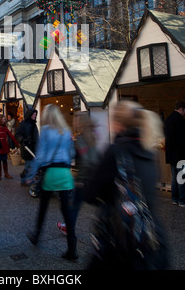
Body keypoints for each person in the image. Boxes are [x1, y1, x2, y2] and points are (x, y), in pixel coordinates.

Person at [83, 101, 168, 270]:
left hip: (121, 238)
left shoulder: (116, 151)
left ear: (116, 124)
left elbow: (90, 193)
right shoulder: (149, 152)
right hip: (151, 237)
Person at [26, 104, 78, 262]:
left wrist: (31, 173)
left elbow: (40, 155)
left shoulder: (47, 131)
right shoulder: (67, 131)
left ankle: (36, 235)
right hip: (65, 173)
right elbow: (72, 153)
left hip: (51, 172)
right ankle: (72, 249)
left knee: (43, 207)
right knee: (66, 211)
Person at [57, 112, 98, 236]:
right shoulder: (92, 135)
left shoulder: (80, 139)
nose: (74, 123)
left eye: (76, 121)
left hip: (83, 177)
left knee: (75, 204)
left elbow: (85, 159)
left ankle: (68, 227)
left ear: (81, 123)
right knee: (89, 203)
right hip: (93, 175)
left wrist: (80, 178)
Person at [164, 100, 185, 206]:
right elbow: (182, 139)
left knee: (174, 177)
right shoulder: (180, 120)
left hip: (171, 155)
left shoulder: (168, 119)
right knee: (181, 177)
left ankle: (174, 199)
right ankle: (182, 200)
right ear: (181, 109)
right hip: (180, 154)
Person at [0, 114, 19, 180]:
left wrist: (16, 142)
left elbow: (10, 135)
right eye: (4, 119)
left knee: (5, 160)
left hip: (4, 146)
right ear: (0, 119)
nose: (5, 120)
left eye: (5, 119)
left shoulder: (4, 127)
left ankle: (6, 173)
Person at [15, 108, 39, 185]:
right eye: (34, 114)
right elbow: (18, 134)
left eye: (35, 114)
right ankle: (26, 179)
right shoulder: (23, 124)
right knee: (29, 164)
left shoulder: (33, 124)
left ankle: (25, 179)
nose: (35, 116)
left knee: (30, 165)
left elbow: (36, 136)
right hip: (26, 147)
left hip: (33, 147)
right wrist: (22, 140)